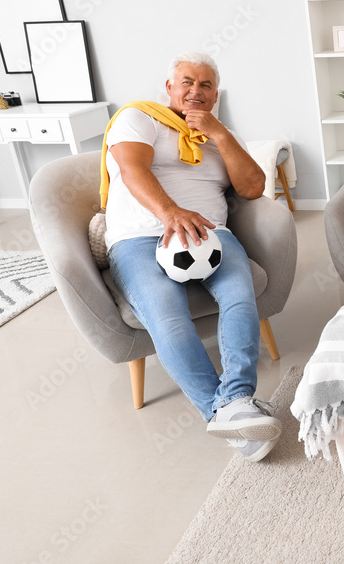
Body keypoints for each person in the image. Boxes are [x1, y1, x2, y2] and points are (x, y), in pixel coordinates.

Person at [102, 52, 282, 462]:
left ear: (215, 94)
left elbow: (253, 187)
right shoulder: (139, 118)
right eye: (186, 82)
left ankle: (235, 400)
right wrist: (171, 213)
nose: (195, 91)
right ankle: (224, 412)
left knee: (239, 294)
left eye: (205, 85)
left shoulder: (220, 133)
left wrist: (221, 135)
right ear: (169, 87)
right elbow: (132, 170)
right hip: (143, 237)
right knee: (167, 315)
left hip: (211, 235)